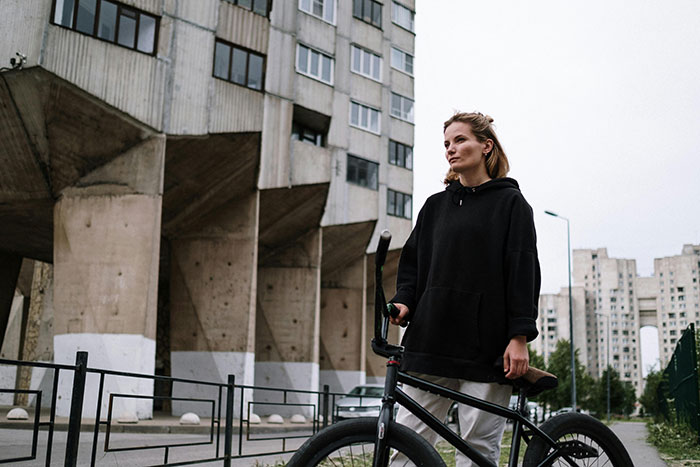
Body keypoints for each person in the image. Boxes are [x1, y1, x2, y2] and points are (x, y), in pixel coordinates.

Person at [389, 111, 541, 466]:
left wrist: (519, 337)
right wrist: (403, 302)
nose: (451, 150)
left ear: (486, 146)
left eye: (460, 140)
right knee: (405, 446)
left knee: (476, 452)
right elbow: (412, 266)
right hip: (431, 340)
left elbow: (523, 271)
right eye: (446, 144)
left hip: (486, 347)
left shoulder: (511, 204)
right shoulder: (434, 207)